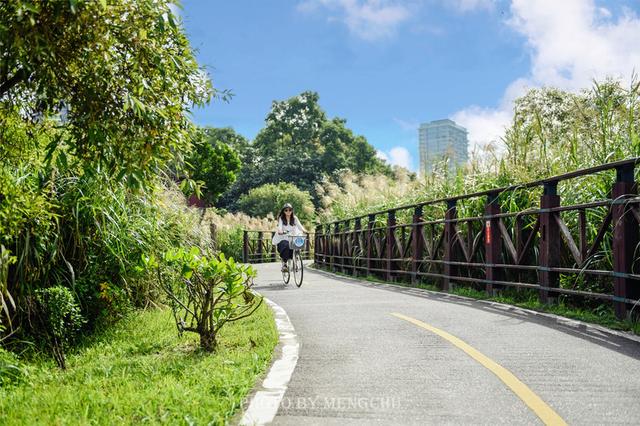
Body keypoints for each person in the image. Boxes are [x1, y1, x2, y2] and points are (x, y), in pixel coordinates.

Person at [272, 203, 307, 272]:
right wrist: (281, 231)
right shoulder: (281, 218)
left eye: (290, 210)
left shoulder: (294, 218)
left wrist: (304, 230)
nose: (288, 212)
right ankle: (285, 263)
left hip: (292, 236)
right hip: (283, 237)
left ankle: (295, 260)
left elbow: (300, 226)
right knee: (286, 245)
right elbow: (280, 227)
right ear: (283, 211)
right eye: (286, 210)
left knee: (297, 245)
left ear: (292, 211)